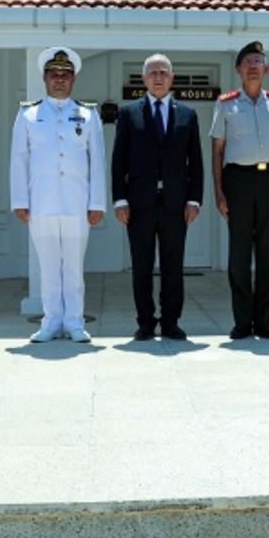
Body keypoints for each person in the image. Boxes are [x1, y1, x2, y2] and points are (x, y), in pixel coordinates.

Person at [10, 47, 106, 343]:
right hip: (42, 202)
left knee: (74, 267)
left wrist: (97, 202)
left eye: (65, 75)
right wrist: (20, 201)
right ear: (44, 77)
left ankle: (75, 321)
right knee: (48, 266)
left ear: (73, 79)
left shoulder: (88, 114)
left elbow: (98, 161)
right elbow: (19, 159)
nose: (60, 80)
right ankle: (51, 321)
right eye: (54, 74)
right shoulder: (29, 114)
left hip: (78, 203)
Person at [111, 53, 204, 341]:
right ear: (144, 79)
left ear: (172, 78)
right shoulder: (129, 114)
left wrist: (194, 199)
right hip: (139, 204)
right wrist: (120, 199)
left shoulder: (188, 115)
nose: (158, 77)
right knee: (141, 266)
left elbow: (196, 162)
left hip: (176, 204)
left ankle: (171, 322)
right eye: (152, 73)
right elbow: (119, 160)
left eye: (163, 72)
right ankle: (146, 323)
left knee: (173, 266)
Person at [210, 40, 269, 340]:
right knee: (238, 256)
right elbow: (217, 152)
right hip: (238, 182)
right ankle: (241, 322)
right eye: (247, 62)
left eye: (257, 61)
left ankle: (264, 322)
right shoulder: (225, 104)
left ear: (266, 68)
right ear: (238, 69)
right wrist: (219, 192)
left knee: (268, 254)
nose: (252, 67)